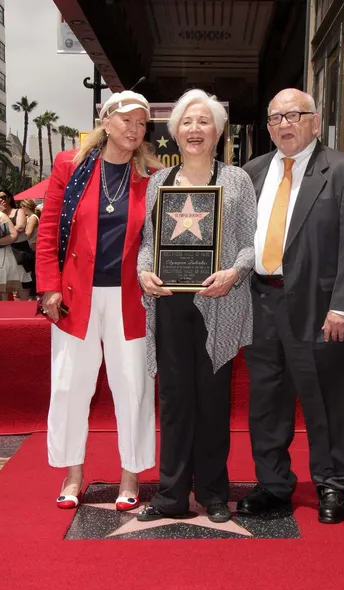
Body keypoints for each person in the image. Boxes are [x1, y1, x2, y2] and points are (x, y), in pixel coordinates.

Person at [237, 88, 344, 524]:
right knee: (266, 401)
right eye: (275, 118)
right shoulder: (252, 172)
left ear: (315, 121)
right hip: (260, 302)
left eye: (293, 115)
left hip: (321, 308)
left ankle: (333, 483)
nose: (284, 124)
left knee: (327, 399)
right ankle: (273, 484)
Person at [35, 91, 162, 510]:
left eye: (142, 123)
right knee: (71, 384)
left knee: (133, 386)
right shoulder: (69, 167)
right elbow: (50, 227)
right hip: (74, 296)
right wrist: (49, 286)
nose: (135, 129)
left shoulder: (153, 175)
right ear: (106, 122)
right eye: (127, 120)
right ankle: (73, 476)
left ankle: (131, 476)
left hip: (132, 298)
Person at [137, 89, 257, 523]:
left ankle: (212, 493)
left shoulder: (236, 180)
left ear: (218, 130)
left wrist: (233, 274)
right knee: (173, 400)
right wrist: (143, 273)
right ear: (175, 132)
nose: (194, 129)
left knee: (211, 401)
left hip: (218, 306)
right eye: (186, 122)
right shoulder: (159, 183)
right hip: (169, 304)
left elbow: (249, 245)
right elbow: (147, 246)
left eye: (203, 121)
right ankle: (170, 494)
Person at [0, 189, 32, 300]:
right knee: (4, 285)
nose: (1, 200)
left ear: (9, 198)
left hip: (19, 252)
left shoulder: (18, 211)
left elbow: (20, 227)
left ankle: (24, 312)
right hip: (4, 253)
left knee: (23, 283)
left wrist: (4, 216)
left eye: (4, 197)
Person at [21, 198, 41, 298]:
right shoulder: (30, 217)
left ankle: (34, 295)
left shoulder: (32, 218)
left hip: (33, 249)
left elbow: (27, 234)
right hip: (33, 248)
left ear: (25, 207)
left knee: (33, 274)